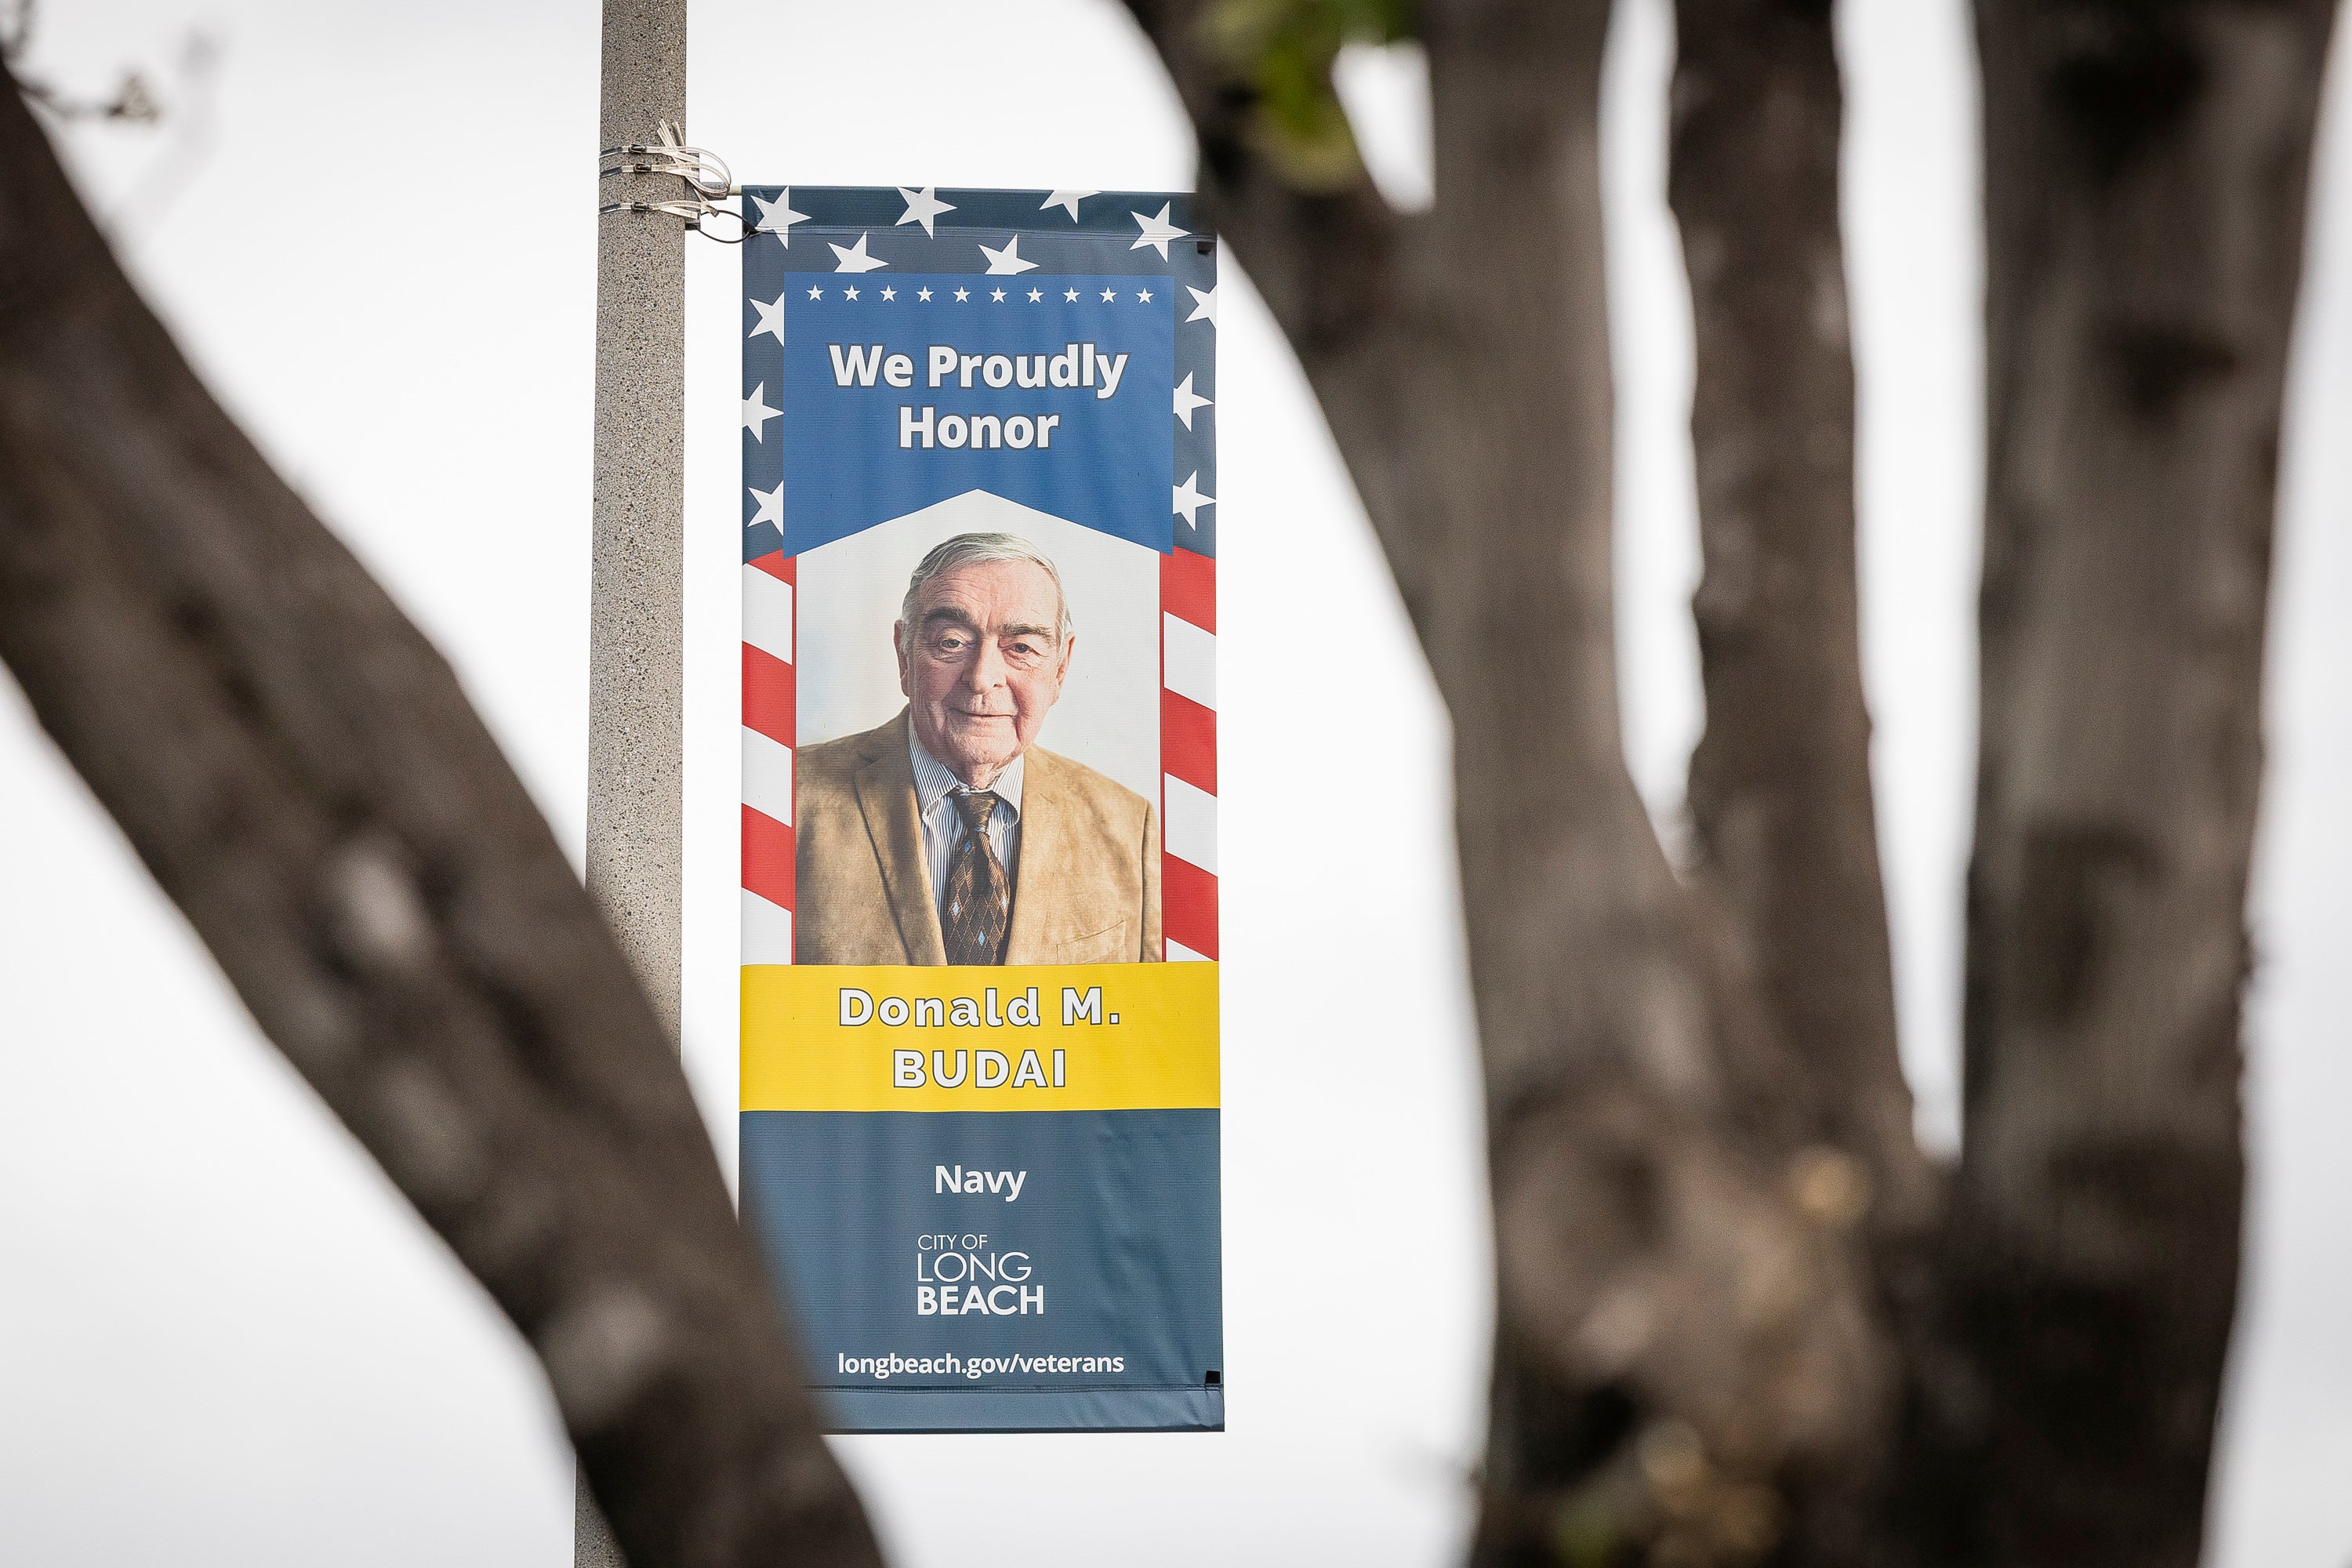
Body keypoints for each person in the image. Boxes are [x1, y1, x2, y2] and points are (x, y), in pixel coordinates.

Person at [795, 532, 1162, 965]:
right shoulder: (787, 800)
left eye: (1021, 648)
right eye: (952, 642)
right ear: (904, 655)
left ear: (1060, 668)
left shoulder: (1130, 825)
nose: (983, 678)